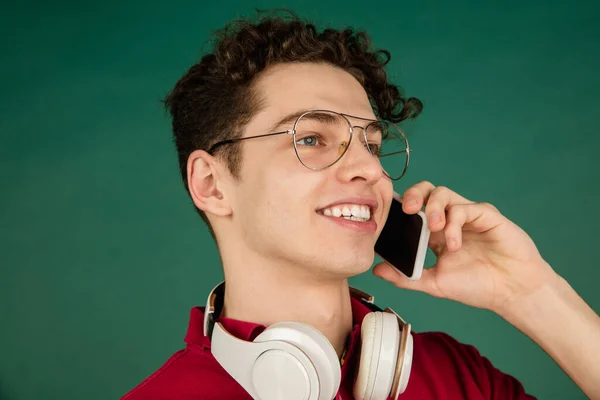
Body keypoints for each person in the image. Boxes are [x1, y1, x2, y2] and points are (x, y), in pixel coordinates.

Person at [121, 11, 600, 400]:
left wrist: (530, 293)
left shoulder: (458, 378)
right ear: (212, 184)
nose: (370, 171)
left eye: (371, 145)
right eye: (310, 138)